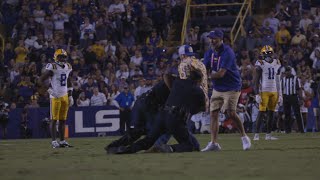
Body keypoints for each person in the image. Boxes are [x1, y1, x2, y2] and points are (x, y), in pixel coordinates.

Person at [114, 45, 206, 154]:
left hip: (163, 113)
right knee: (191, 146)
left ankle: (124, 150)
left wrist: (175, 92)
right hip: (174, 117)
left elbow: (167, 76)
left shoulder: (178, 80)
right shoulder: (197, 90)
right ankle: (166, 148)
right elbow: (201, 108)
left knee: (148, 140)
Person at [202, 30, 251, 152]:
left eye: (214, 38)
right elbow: (204, 68)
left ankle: (244, 137)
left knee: (231, 113)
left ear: (221, 39)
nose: (212, 41)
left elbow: (220, 74)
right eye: (210, 38)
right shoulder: (210, 52)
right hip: (218, 88)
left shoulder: (228, 52)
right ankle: (214, 143)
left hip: (232, 87)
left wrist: (205, 77)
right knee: (213, 113)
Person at [38, 49, 74, 148]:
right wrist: (49, 90)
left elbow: (68, 81)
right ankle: (54, 141)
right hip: (55, 96)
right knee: (54, 119)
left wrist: (70, 95)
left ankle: (62, 141)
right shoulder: (52, 67)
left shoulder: (68, 67)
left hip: (64, 95)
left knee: (63, 120)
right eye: (60, 57)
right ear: (56, 57)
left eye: (64, 57)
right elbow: (40, 80)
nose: (62, 59)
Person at [253, 45, 282, 141]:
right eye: (266, 53)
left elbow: (278, 80)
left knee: (271, 114)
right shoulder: (260, 63)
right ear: (262, 54)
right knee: (261, 113)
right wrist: (257, 93)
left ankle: (268, 135)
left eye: (269, 53)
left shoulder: (276, 62)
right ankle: (256, 135)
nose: (268, 55)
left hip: (274, 91)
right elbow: (256, 80)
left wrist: (280, 94)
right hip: (264, 91)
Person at [281, 66, 304, 133]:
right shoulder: (283, 79)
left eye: (289, 71)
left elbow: (299, 89)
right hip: (286, 97)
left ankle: (301, 129)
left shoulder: (296, 78)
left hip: (293, 96)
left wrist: (301, 99)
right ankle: (287, 130)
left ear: (291, 71)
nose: (288, 72)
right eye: (286, 71)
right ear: (285, 72)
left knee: (297, 113)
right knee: (287, 114)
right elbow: (282, 89)